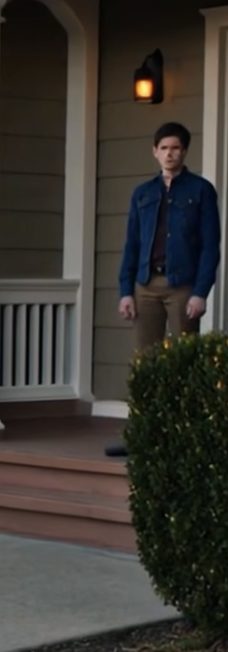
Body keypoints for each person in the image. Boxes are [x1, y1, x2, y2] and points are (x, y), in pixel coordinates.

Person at [110, 121, 221, 456]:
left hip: (182, 286)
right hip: (145, 285)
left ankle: (185, 435)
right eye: (164, 148)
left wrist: (201, 291)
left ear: (184, 151)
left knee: (184, 360)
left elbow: (210, 246)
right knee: (147, 362)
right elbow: (131, 243)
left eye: (176, 148)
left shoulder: (200, 191)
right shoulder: (143, 193)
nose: (169, 154)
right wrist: (126, 290)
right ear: (154, 151)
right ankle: (145, 435)